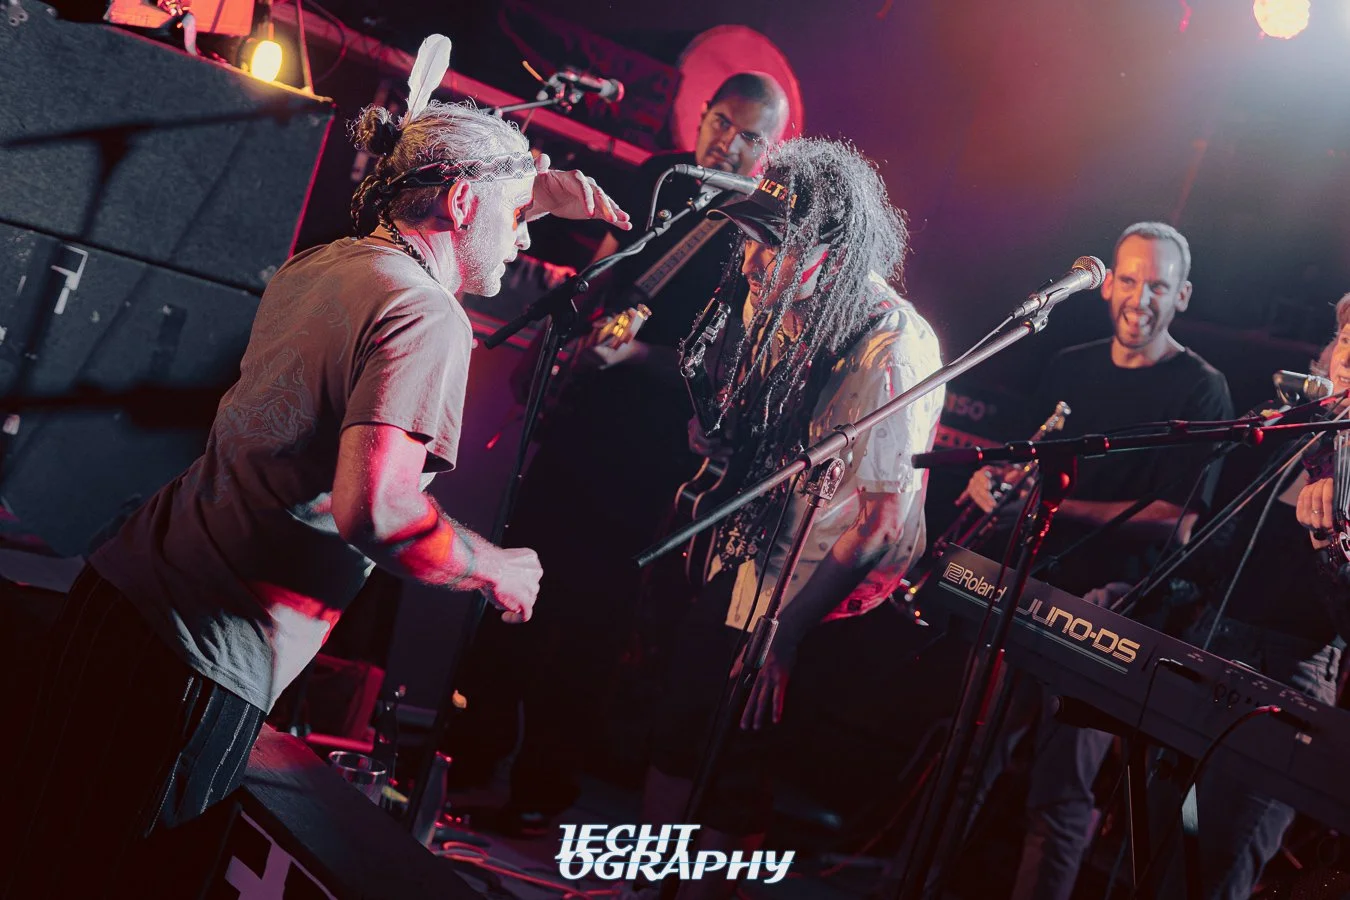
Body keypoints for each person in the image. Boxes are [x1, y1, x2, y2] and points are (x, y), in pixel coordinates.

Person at [0, 64, 632, 897]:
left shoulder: (327, 262)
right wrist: (495, 568)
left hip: (117, 599)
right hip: (199, 657)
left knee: (39, 855)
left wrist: (524, 189)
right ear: (460, 203)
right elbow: (381, 511)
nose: (526, 242)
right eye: (518, 218)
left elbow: (465, 203)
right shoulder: (426, 315)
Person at [446, 72, 791, 831]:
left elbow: (728, 366)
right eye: (721, 122)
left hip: (654, 449)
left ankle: (540, 793)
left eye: (749, 136)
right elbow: (604, 267)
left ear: (770, 149)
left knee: (590, 619)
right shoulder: (660, 177)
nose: (727, 143)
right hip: (584, 413)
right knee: (512, 577)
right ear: (701, 115)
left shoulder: (760, 227)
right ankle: (465, 760)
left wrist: (633, 356)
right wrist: (561, 341)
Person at [620, 137, 943, 900]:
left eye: (775, 248)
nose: (753, 264)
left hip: (823, 585)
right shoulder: (769, 297)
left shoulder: (893, 347)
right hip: (747, 552)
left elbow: (880, 525)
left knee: (739, 769)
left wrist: (785, 634)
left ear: (831, 254)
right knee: (677, 728)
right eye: (750, 243)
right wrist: (718, 434)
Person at [962, 222, 1234, 900]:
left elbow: (1178, 520)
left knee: (1059, 795)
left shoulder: (1202, 388)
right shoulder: (1068, 365)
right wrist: (991, 483)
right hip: (1026, 585)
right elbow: (1022, 462)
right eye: (1130, 280)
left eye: (1159, 286)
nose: (1140, 299)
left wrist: (1055, 505)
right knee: (965, 760)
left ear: (1183, 296)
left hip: (1110, 610)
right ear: (1107, 283)